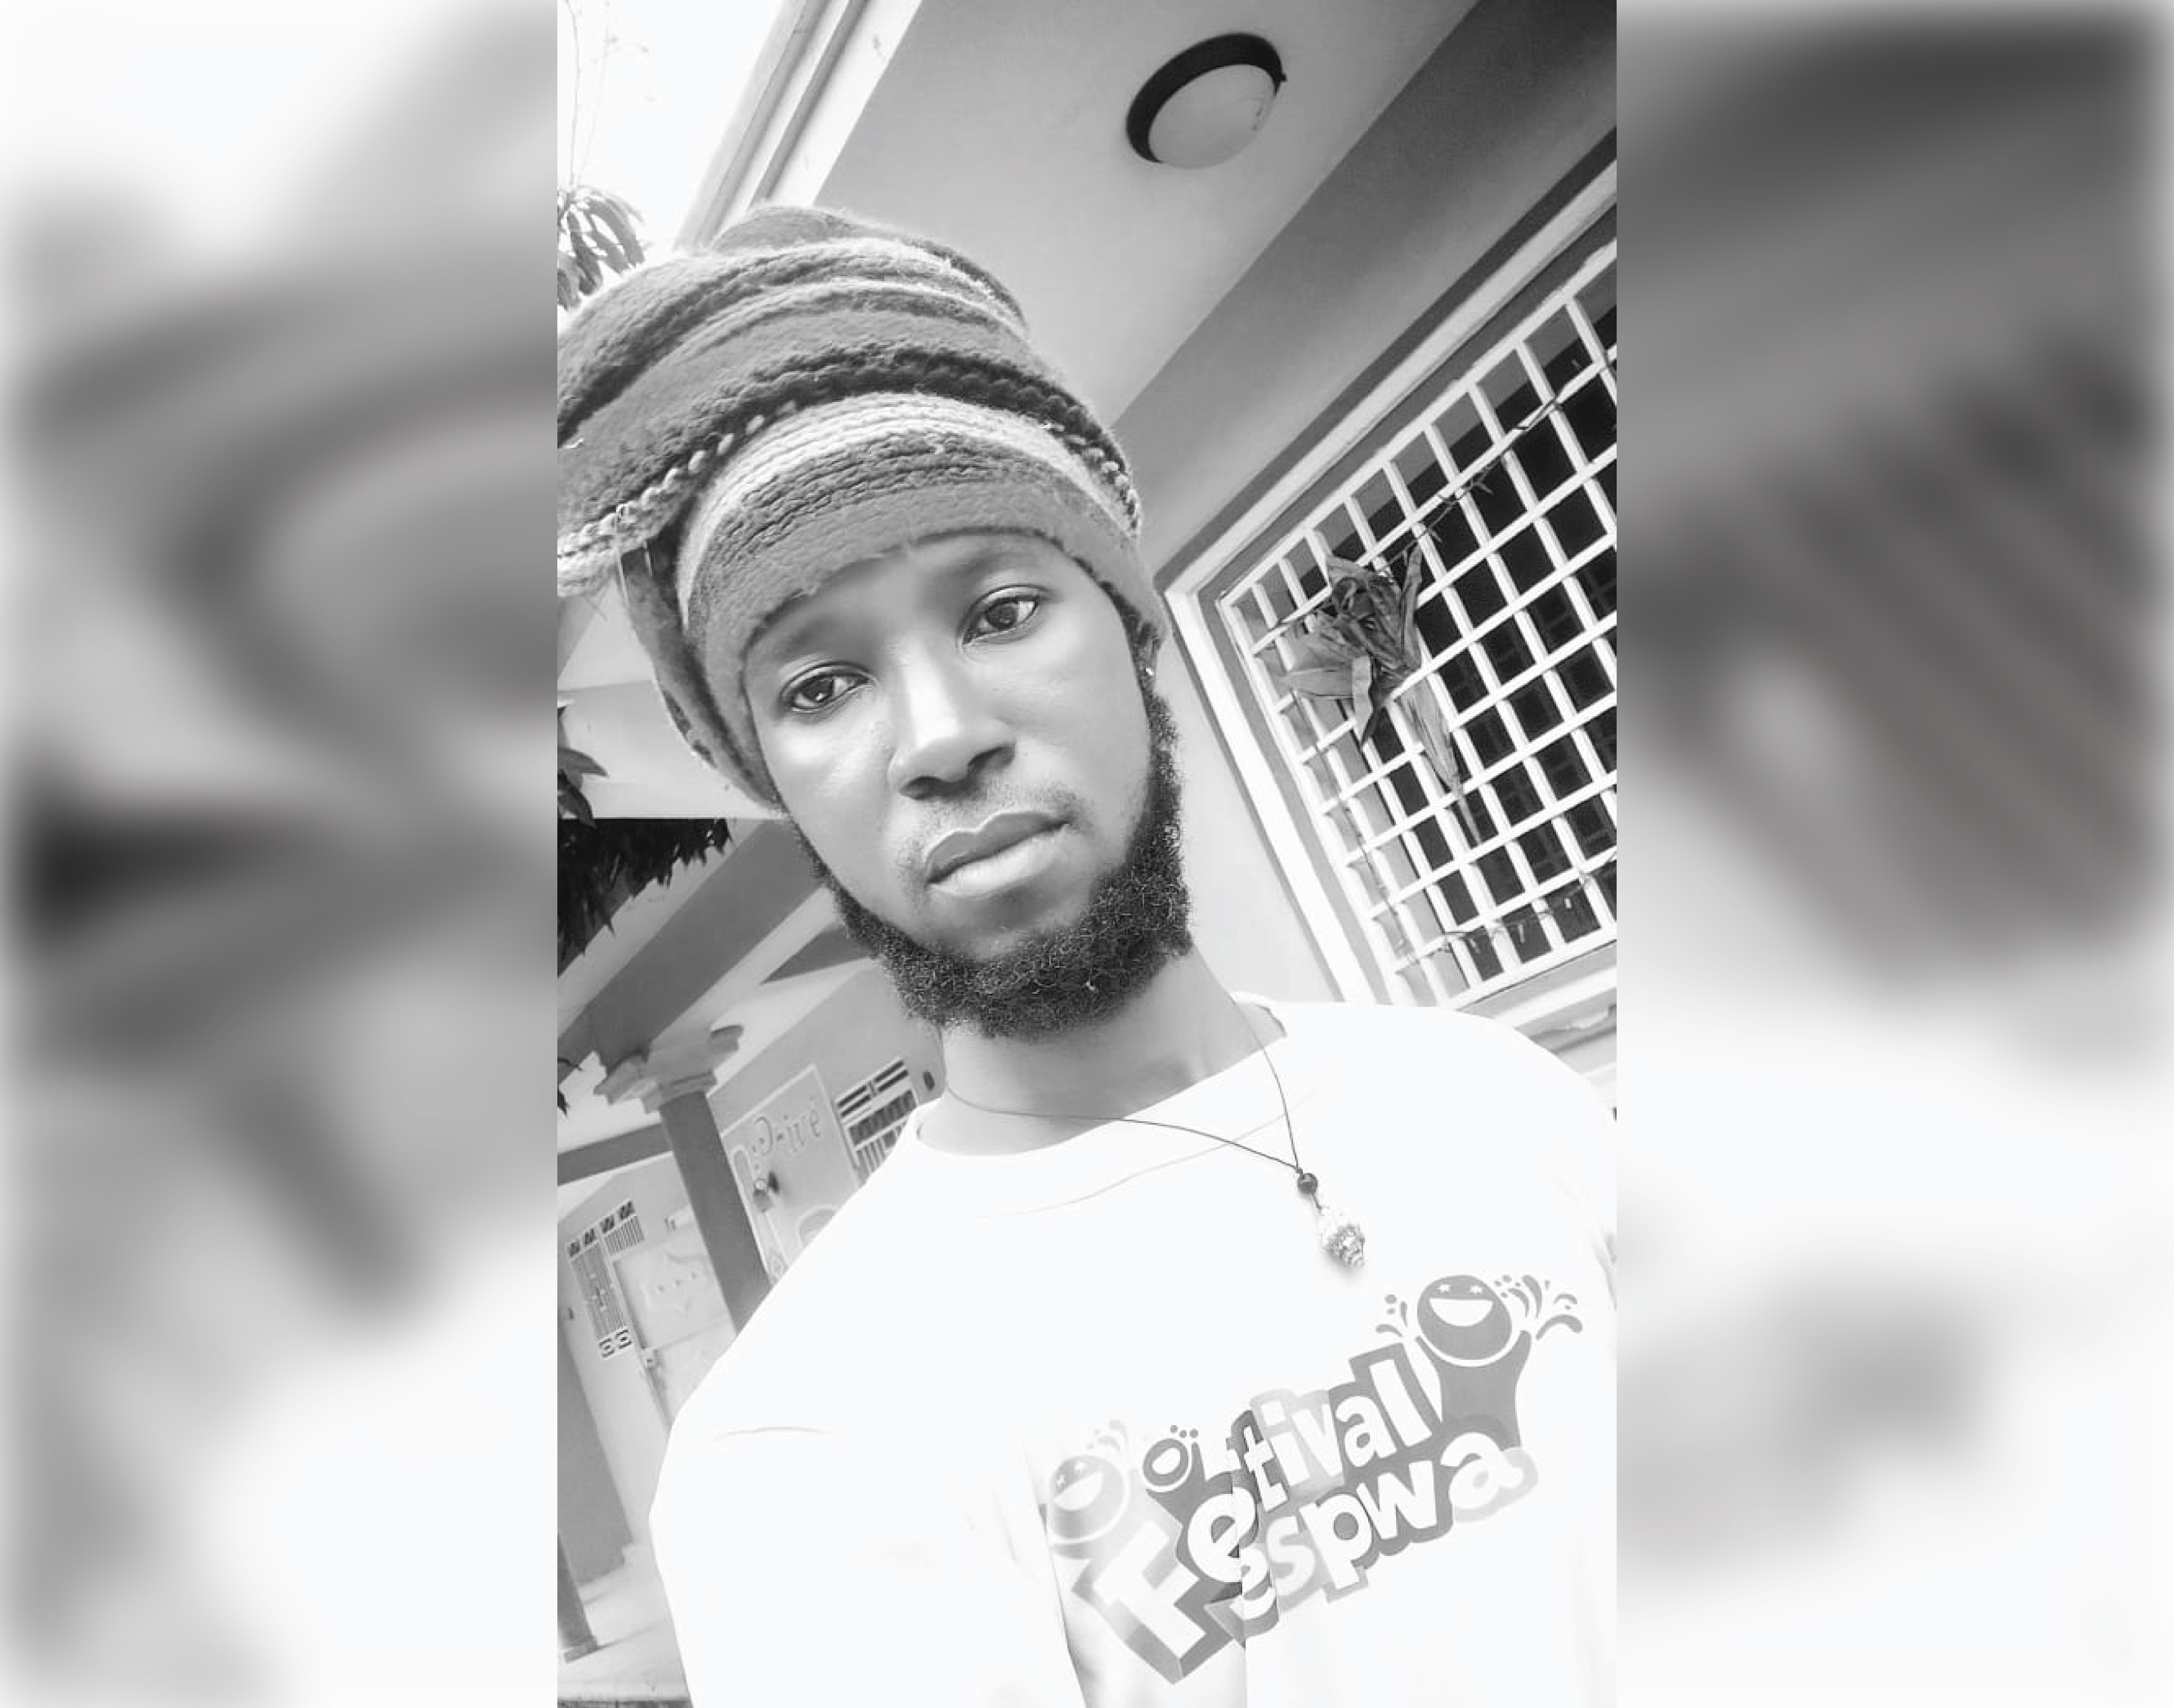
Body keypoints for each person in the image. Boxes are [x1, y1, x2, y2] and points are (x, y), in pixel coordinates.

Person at [557, 204, 1614, 1706]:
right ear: (774, 779)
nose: (939, 737)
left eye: (1001, 611)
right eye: (822, 685)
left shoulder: (1499, 1101)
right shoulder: (805, 1452)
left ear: (1131, 630)